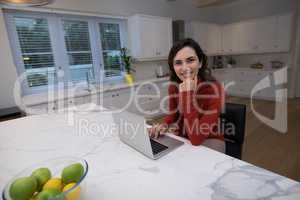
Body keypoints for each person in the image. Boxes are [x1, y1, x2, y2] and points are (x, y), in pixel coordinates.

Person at [148, 38, 225, 153]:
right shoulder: (174, 86)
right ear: (173, 67)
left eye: (190, 60)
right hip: (184, 137)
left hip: (210, 139)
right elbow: (173, 115)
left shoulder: (214, 89)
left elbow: (196, 138)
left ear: (200, 62)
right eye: (178, 63)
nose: (185, 68)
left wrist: (187, 94)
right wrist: (164, 125)